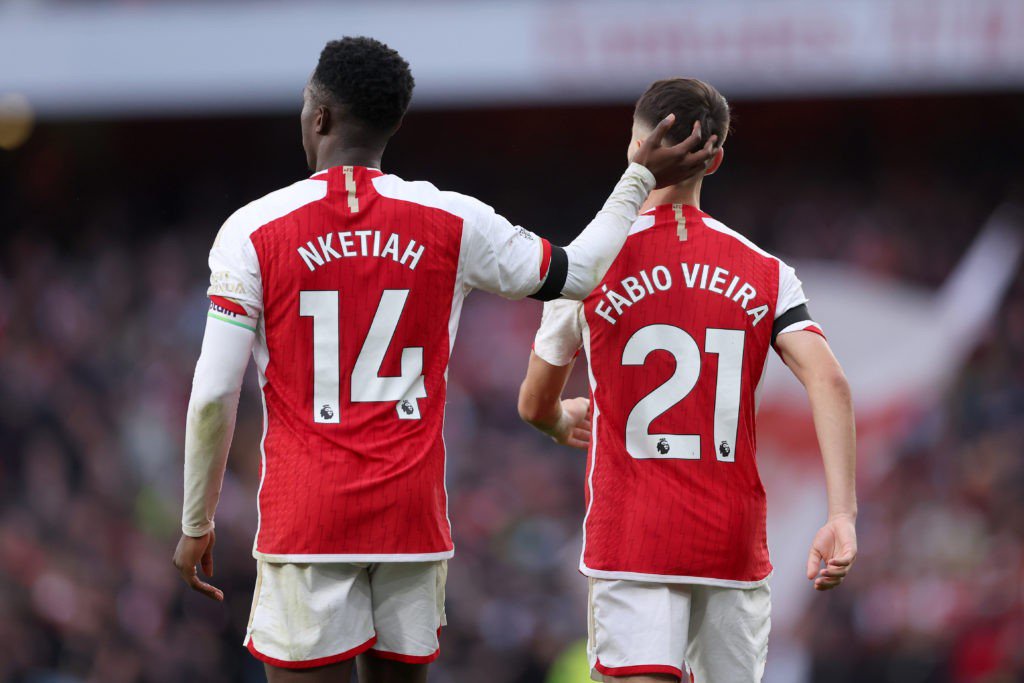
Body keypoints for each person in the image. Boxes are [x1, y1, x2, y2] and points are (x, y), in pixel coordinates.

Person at [171, 37, 717, 683]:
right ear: (390, 124)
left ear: (319, 117)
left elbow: (213, 393)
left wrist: (196, 522)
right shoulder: (449, 217)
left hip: (307, 517)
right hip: (411, 517)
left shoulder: (251, 229)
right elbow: (576, 271)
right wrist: (637, 175)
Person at [518, 77, 858, 683]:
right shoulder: (766, 272)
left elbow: (534, 401)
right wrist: (843, 515)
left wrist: (554, 420)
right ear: (717, 160)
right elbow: (828, 380)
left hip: (632, 538)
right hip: (730, 543)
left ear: (635, 147)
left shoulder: (588, 266)